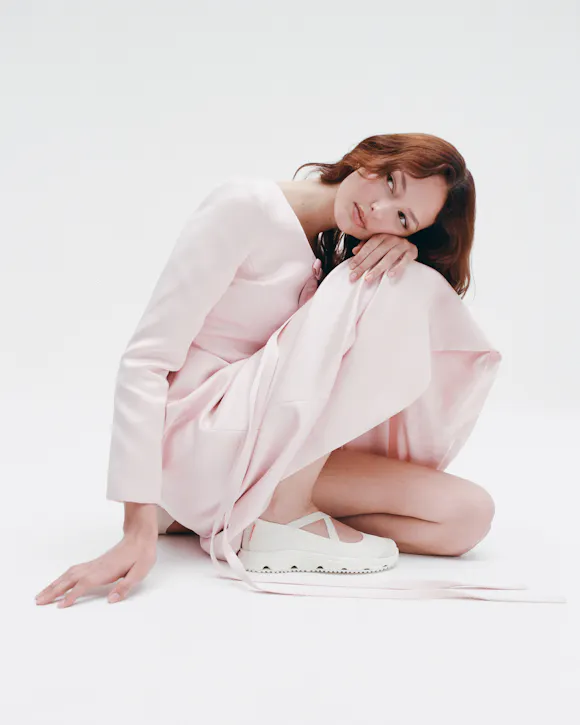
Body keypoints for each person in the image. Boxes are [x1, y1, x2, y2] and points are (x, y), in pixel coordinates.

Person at [36, 132, 519, 608]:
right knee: (396, 283)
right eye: (392, 182)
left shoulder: (332, 251)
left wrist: (406, 251)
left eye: (402, 218)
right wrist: (135, 529)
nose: (378, 210)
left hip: (256, 454)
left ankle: (229, 516)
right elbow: (145, 361)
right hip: (200, 437)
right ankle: (275, 517)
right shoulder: (244, 207)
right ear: (373, 155)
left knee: (465, 518)